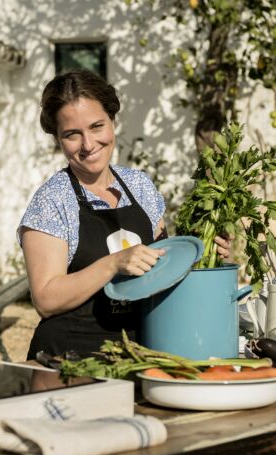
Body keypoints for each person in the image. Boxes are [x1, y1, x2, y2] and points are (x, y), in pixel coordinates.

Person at [18, 70, 230, 360]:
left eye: (96, 126)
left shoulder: (139, 186)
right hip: (69, 359)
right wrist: (113, 264)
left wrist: (204, 255)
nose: (88, 144)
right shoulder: (52, 200)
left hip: (142, 352)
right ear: (57, 138)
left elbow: (161, 270)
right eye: (72, 134)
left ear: (113, 121)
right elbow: (45, 298)